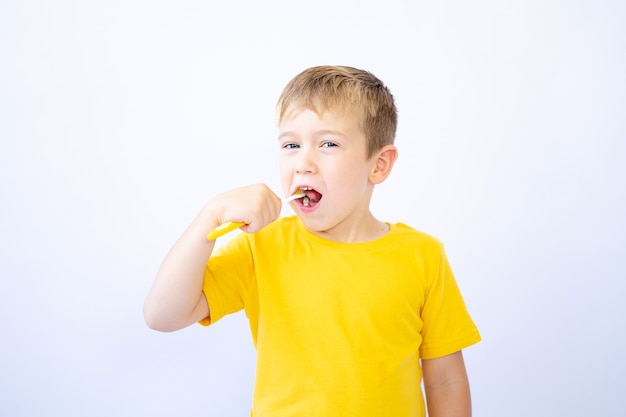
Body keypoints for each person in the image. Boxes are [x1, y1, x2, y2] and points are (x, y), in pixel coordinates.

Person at [144, 65, 481, 417]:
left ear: (379, 165)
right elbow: (162, 315)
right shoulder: (261, 246)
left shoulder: (423, 256)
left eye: (328, 144)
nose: (303, 163)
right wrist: (209, 216)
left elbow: (446, 380)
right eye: (291, 144)